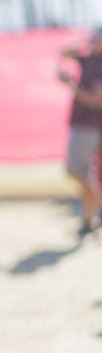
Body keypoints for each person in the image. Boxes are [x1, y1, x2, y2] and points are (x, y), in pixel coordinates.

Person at [57, 28, 102, 235]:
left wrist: (70, 85)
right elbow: (63, 53)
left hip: (90, 124)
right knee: (86, 171)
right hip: (83, 123)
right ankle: (88, 219)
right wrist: (84, 43)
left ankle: (97, 206)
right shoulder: (88, 58)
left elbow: (97, 100)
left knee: (74, 169)